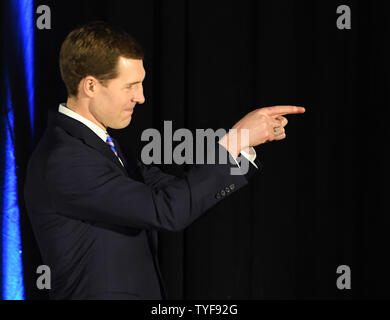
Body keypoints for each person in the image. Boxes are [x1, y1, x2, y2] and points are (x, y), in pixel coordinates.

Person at [23, 21, 305, 300]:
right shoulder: (65, 159)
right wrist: (234, 140)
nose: (141, 97)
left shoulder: (100, 147)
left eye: (141, 84)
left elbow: (180, 193)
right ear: (91, 86)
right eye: (130, 86)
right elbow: (165, 210)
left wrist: (242, 146)